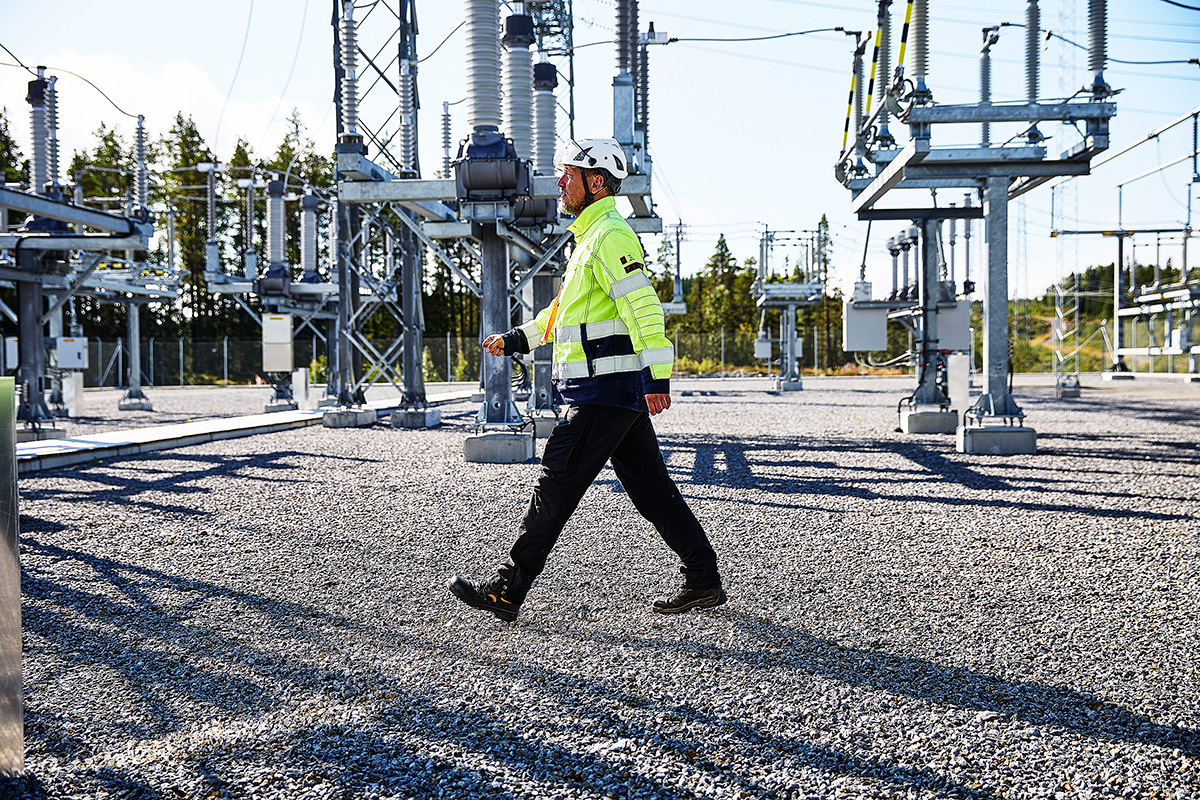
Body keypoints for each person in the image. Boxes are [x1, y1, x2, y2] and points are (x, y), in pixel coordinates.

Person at [448, 137, 725, 623]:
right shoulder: (588, 241)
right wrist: (518, 338)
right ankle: (703, 580)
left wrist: (657, 374)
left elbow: (642, 306)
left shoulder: (610, 236)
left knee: (555, 486)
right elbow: (563, 313)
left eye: (568, 174)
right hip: (610, 391)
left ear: (595, 183)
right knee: (652, 490)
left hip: (606, 392)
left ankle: (509, 591)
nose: (559, 181)